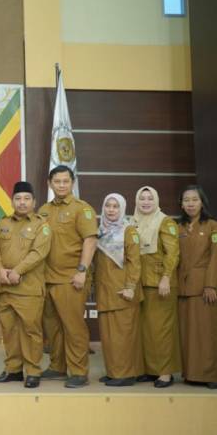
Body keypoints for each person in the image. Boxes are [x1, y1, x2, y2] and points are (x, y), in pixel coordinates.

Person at [39, 165, 97, 388]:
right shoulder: (44, 210)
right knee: (53, 328)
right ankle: (57, 367)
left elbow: (90, 240)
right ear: (49, 184)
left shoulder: (82, 209)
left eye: (66, 181)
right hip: (47, 278)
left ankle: (79, 372)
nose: (61, 185)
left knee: (73, 327)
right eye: (57, 181)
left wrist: (82, 270)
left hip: (71, 277)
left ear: (72, 183)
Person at [0, 181, 50, 389]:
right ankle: (13, 370)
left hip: (28, 290)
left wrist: (17, 271)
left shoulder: (42, 225)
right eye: (18, 198)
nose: (22, 202)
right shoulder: (3, 223)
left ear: (34, 202)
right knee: (10, 331)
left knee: (31, 332)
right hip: (6, 288)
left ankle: (33, 371)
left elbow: (38, 253)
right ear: (12, 201)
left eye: (26, 199)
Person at [93, 193, 144, 387]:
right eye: (108, 206)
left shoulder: (128, 231)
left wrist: (130, 287)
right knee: (109, 337)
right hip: (105, 291)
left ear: (122, 209)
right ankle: (114, 372)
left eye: (115, 206)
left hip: (123, 292)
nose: (111, 210)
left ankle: (126, 374)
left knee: (123, 335)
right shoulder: (100, 231)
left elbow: (135, 262)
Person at [132, 185, 180, 388]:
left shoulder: (165, 221)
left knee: (161, 330)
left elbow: (173, 253)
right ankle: (151, 370)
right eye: (142, 198)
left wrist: (166, 277)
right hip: (141, 283)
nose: (146, 202)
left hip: (160, 284)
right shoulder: (133, 222)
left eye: (150, 198)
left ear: (156, 201)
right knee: (146, 330)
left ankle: (165, 373)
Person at [176, 185, 217, 389]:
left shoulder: (212, 226)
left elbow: (215, 257)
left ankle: (210, 374)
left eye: (194, 199)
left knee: (205, 332)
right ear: (181, 204)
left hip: (204, 288)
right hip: (182, 288)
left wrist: (211, 284)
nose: (190, 204)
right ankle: (191, 373)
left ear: (202, 202)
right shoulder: (178, 227)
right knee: (187, 334)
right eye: (186, 200)